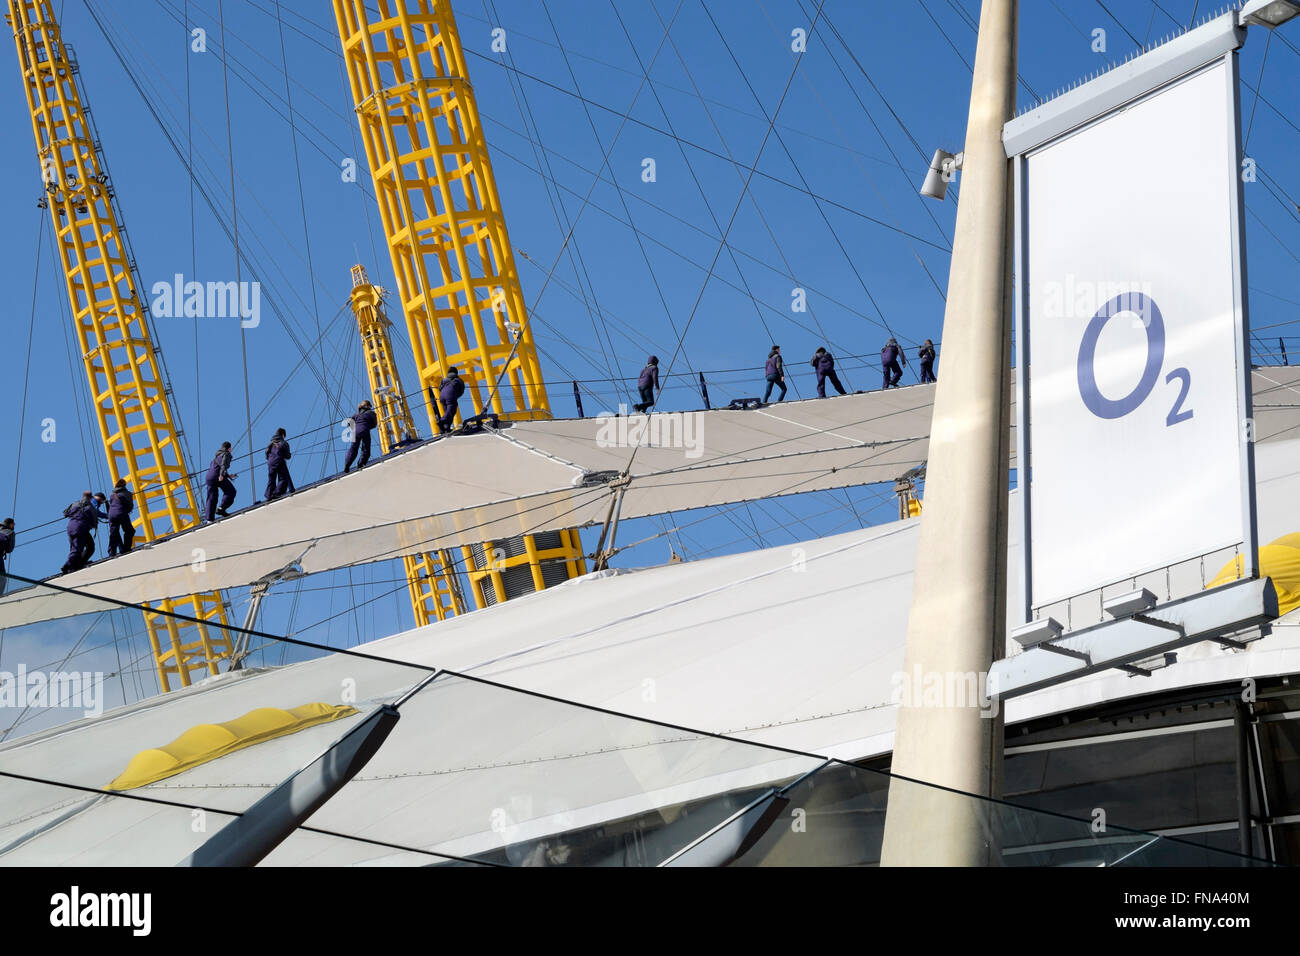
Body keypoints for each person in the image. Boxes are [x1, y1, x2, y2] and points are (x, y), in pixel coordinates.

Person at [60, 491, 106, 574]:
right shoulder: (90, 506)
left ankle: (76, 564)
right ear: (91, 497)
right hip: (81, 528)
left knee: (81, 547)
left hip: (70, 527)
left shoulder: (75, 503)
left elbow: (65, 513)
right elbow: (95, 519)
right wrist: (107, 516)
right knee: (79, 549)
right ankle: (67, 565)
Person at [204, 441, 238, 521]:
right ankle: (221, 508)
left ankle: (209, 519)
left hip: (209, 477)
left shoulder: (216, 457)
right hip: (217, 476)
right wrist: (222, 475)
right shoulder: (226, 454)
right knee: (231, 491)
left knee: (211, 498)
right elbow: (223, 465)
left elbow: (217, 467)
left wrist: (228, 476)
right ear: (229, 448)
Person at [344, 400, 378, 473]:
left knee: (353, 449)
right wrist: (367, 426)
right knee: (365, 448)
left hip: (355, 432)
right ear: (369, 406)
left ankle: (347, 465)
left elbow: (350, 422)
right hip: (364, 430)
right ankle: (361, 464)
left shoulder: (356, 415)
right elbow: (374, 424)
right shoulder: (371, 413)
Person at [106, 479, 135, 557]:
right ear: (124, 485)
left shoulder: (112, 494)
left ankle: (111, 552)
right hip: (121, 513)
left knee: (114, 533)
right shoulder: (127, 493)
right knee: (130, 531)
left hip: (111, 515)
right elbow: (130, 506)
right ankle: (126, 548)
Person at [265, 429, 295, 501]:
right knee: (283, 478)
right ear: (283, 435)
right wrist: (288, 455)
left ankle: (269, 495)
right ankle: (276, 493)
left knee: (271, 479)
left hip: (270, 462)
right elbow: (287, 456)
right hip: (279, 461)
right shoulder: (283, 443)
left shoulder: (270, 443)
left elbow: (266, 453)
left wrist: (270, 459)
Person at [437, 368, 466, 433]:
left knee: (448, 412)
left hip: (442, 396)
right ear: (456, 373)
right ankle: (441, 421)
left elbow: (439, 388)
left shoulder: (444, 380)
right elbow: (461, 390)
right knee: (452, 410)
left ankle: (446, 428)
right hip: (450, 394)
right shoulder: (458, 380)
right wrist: (456, 396)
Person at [0, 518, 14, 596]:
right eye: (13, 524)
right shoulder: (10, 532)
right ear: (11, 524)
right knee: (2, 578)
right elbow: (9, 549)